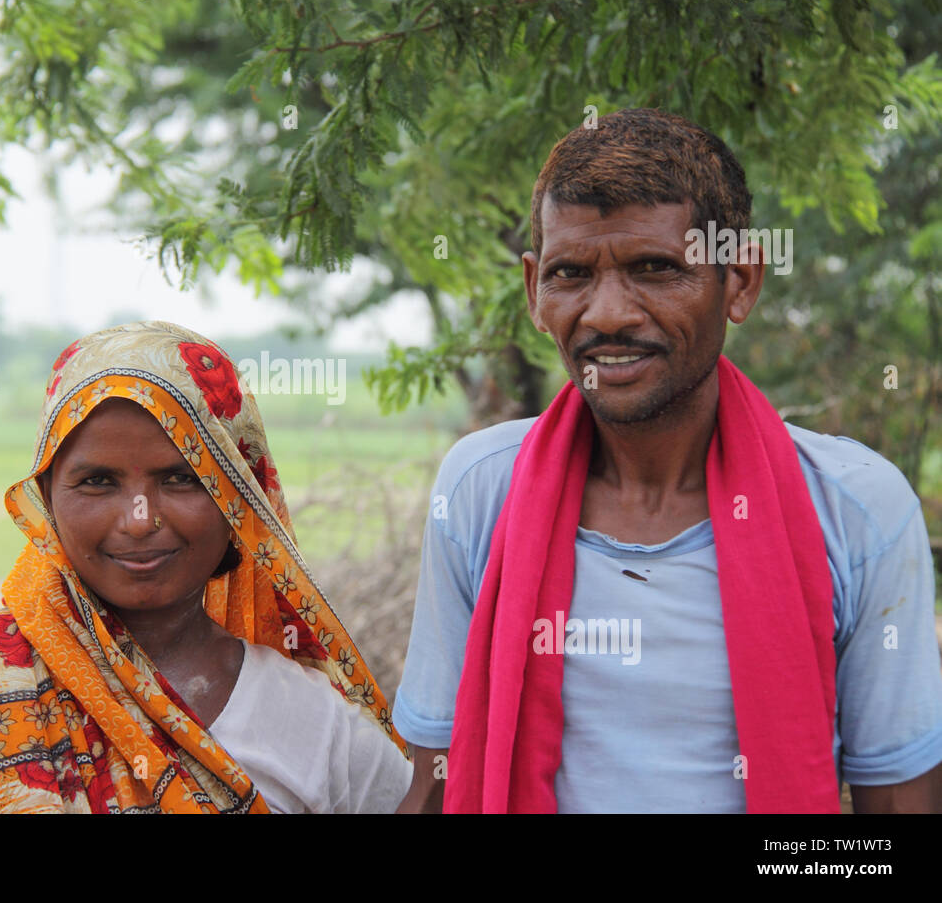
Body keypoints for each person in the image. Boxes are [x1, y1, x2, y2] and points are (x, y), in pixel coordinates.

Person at [394, 108, 942, 813]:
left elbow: (898, 808)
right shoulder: (480, 490)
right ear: (534, 290)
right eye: (571, 273)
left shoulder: (856, 507)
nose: (609, 313)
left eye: (655, 269)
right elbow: (433, 785)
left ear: (740, 281)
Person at [0, 320, 411, 813]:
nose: (138, 519)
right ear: (47, 500)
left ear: (239, 499)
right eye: (97, 481)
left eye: (181, 478)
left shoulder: (320, 727)